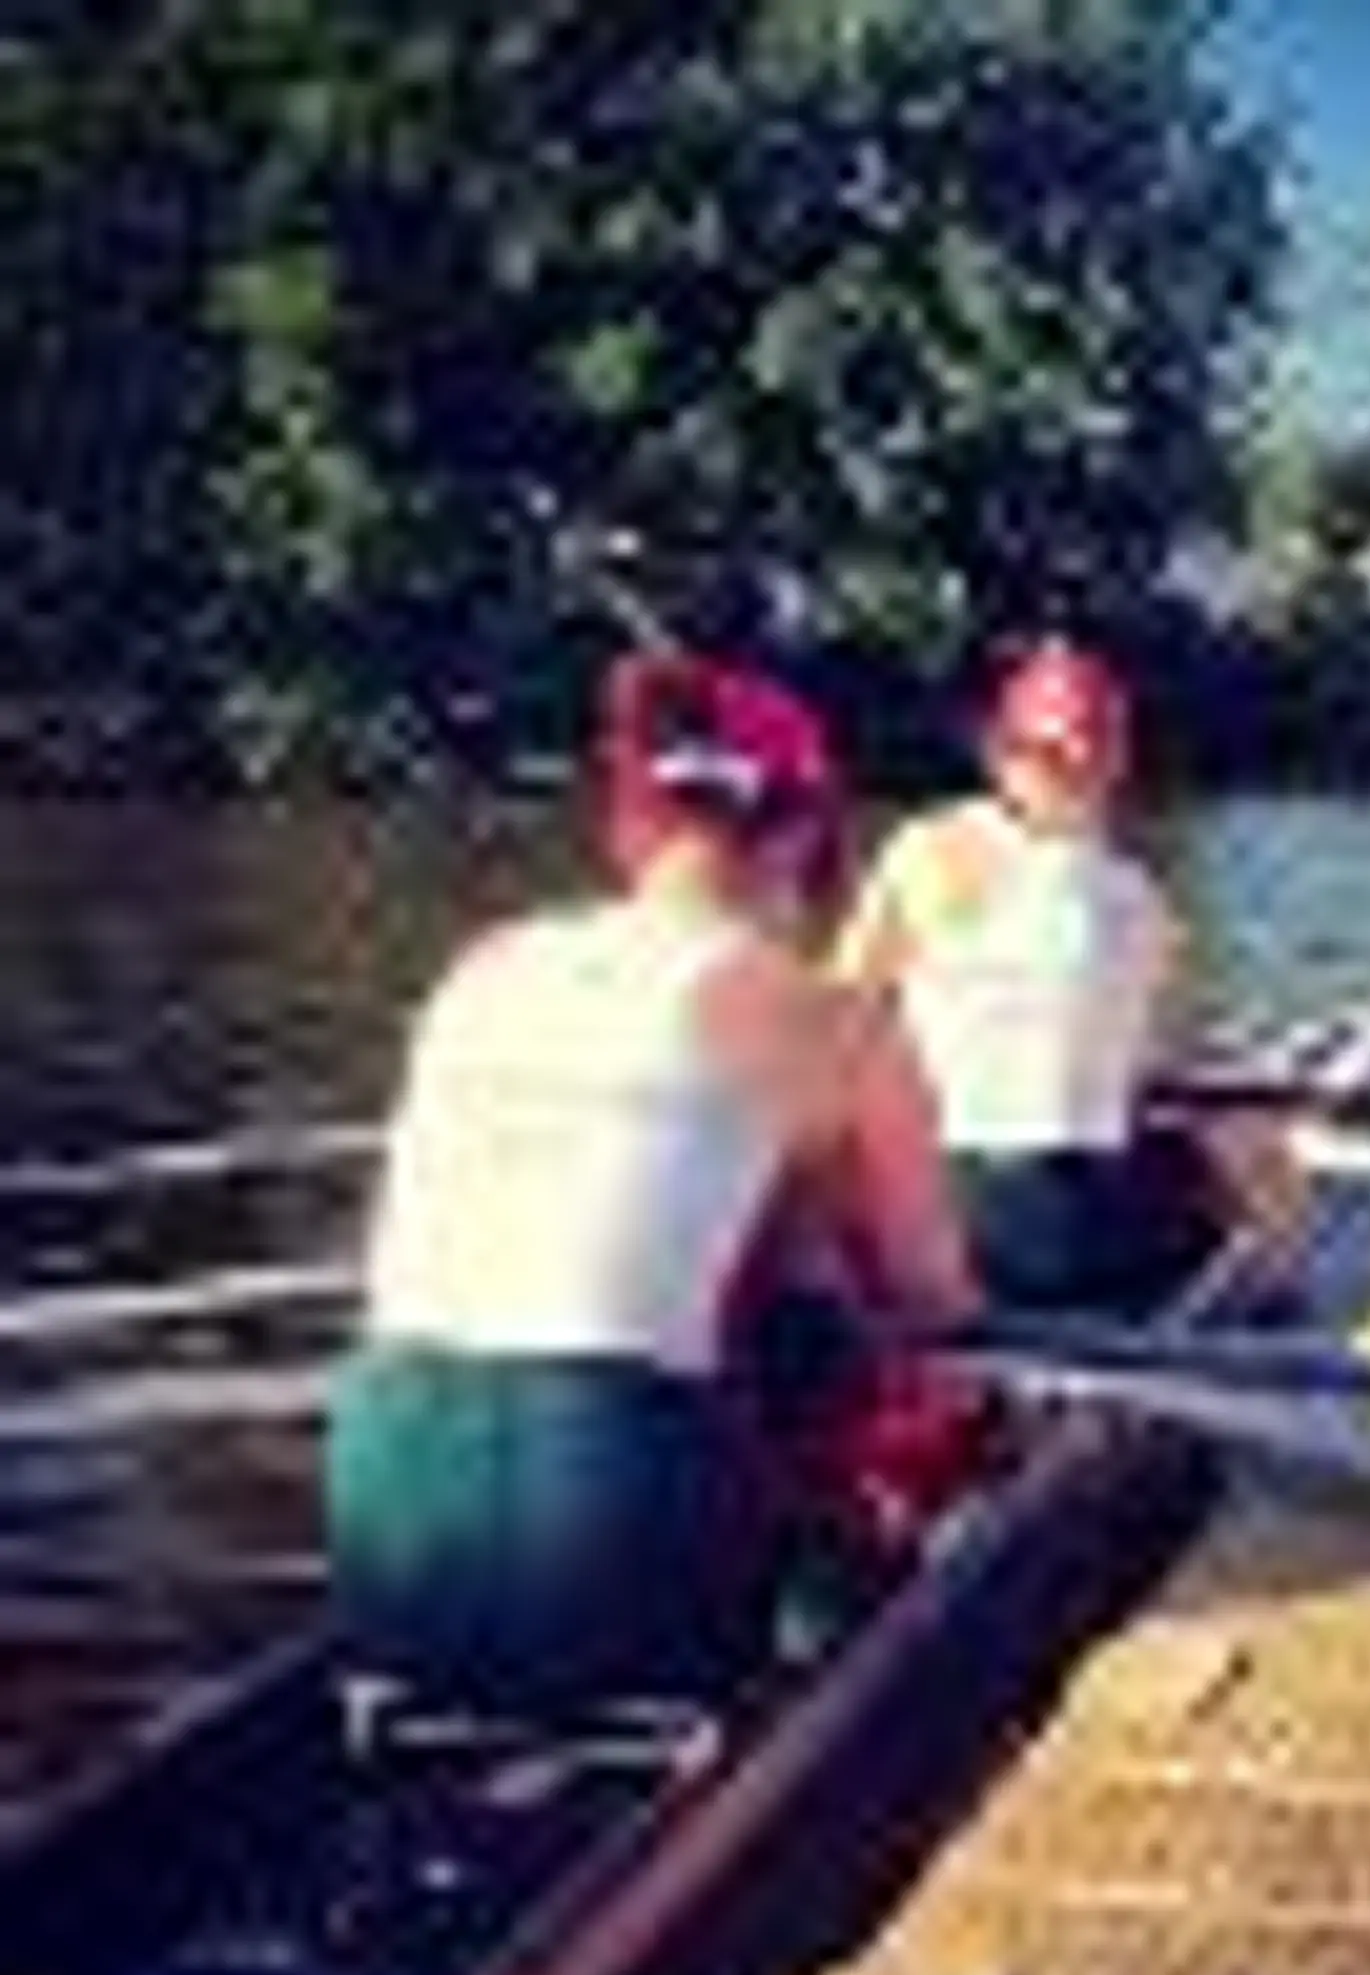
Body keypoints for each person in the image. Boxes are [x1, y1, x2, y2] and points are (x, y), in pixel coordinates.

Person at [326, 652, 980, 1719]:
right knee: (877, 1378)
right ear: (804, 833)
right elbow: (937, 1300)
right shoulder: (831, 1018)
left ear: (626, 825)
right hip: (610, 1516)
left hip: (382, 1516)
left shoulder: (481, 968)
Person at [835, 637, 1219, 1310]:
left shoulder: (919, 849)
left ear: (997, 753)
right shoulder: (1141, 898)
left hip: (955, 1214)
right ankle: (1263, 1289)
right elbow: (1173, 1070)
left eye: (1074, 745)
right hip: (1075, 1229)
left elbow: (835, 1019)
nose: (1075, 760)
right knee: (1221, 1167)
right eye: (1064, 747)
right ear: (1120, 760)